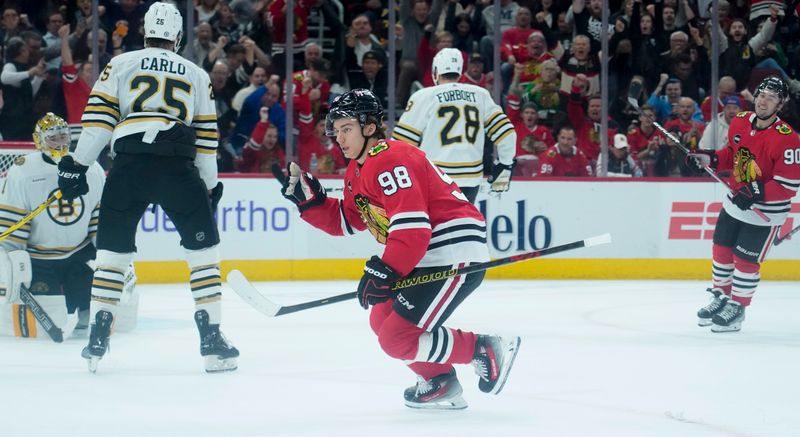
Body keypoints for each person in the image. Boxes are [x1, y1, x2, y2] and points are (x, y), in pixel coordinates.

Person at [281, 88, 521, 410]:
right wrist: (312, 204)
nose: (339, 138)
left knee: (396, 337)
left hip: (451, 249)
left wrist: (386, 269)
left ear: (369, 126)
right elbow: (349, 220)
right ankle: (439, 379)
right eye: (336, 131)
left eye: (346, 128)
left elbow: (413, 228)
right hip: (426, 253)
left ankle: (482, 348)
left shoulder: (391, 158)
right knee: (381, 319)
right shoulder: (358, 169)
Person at [55, 2, 238, 372]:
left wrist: (78, 164)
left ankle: (98, 333)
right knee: (204, 254)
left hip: (128, 166)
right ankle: (212, 339)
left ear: (145, 32)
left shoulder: (121, 63)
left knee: (111, 254)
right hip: (177, 167)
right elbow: (206, 138)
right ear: (178, 36)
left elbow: (99, 121)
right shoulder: (195, 73)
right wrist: (211, 185)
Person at [0, 113, 137, 339]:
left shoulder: (90, 167)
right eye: (53, 138)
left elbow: (98, 217)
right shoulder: (23, 170)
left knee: (93, 318)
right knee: (41, 330)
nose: (61, 142)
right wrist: (14, 261)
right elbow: (13, 221)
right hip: (40, 259)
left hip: (79, 256)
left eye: (64, 136)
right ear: (39, 140)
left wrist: (109, 252)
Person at [691, 76, 800, 332]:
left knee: (745, 261)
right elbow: (732, 154)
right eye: (762, 94)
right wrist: (710, 159)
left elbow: (789, 186)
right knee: (721, 251)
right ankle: (720, 297)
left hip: (765, 213)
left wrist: (756, 192)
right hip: (733, 203)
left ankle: (737, 308)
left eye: (771, 97)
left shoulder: (789, 139)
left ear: (780, 104)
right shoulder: (740, 120)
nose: (764, 101)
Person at [392, 48, 516, 203]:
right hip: (470, 181)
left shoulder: (423, 96)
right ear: (460, 71)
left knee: (432, 227)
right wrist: (505, 164)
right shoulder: (480, 94)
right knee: (463, 226)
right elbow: (507, 133)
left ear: (436, 71)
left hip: (434, 178)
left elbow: (400, 143)